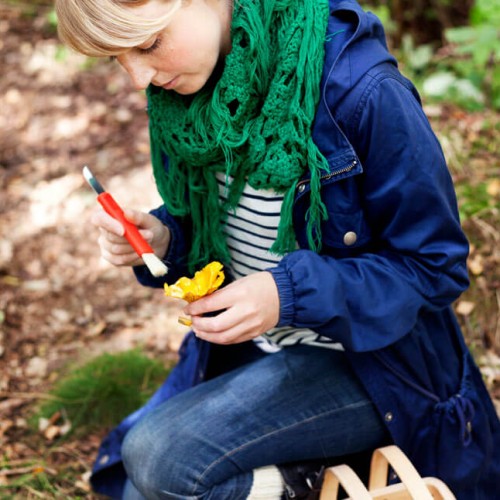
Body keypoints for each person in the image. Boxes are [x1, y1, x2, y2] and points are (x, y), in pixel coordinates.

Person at [55, 0, 500, 498]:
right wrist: (164, 240)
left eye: (147, 44)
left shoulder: (360, 89)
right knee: (142, 487)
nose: (138, 78)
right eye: (118, 58)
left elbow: (434, 267)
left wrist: (288, 296)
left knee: (156, 460)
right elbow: (222, 224)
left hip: (376, 365)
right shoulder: (184, 88)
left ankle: (304, 482)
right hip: (259, 350)